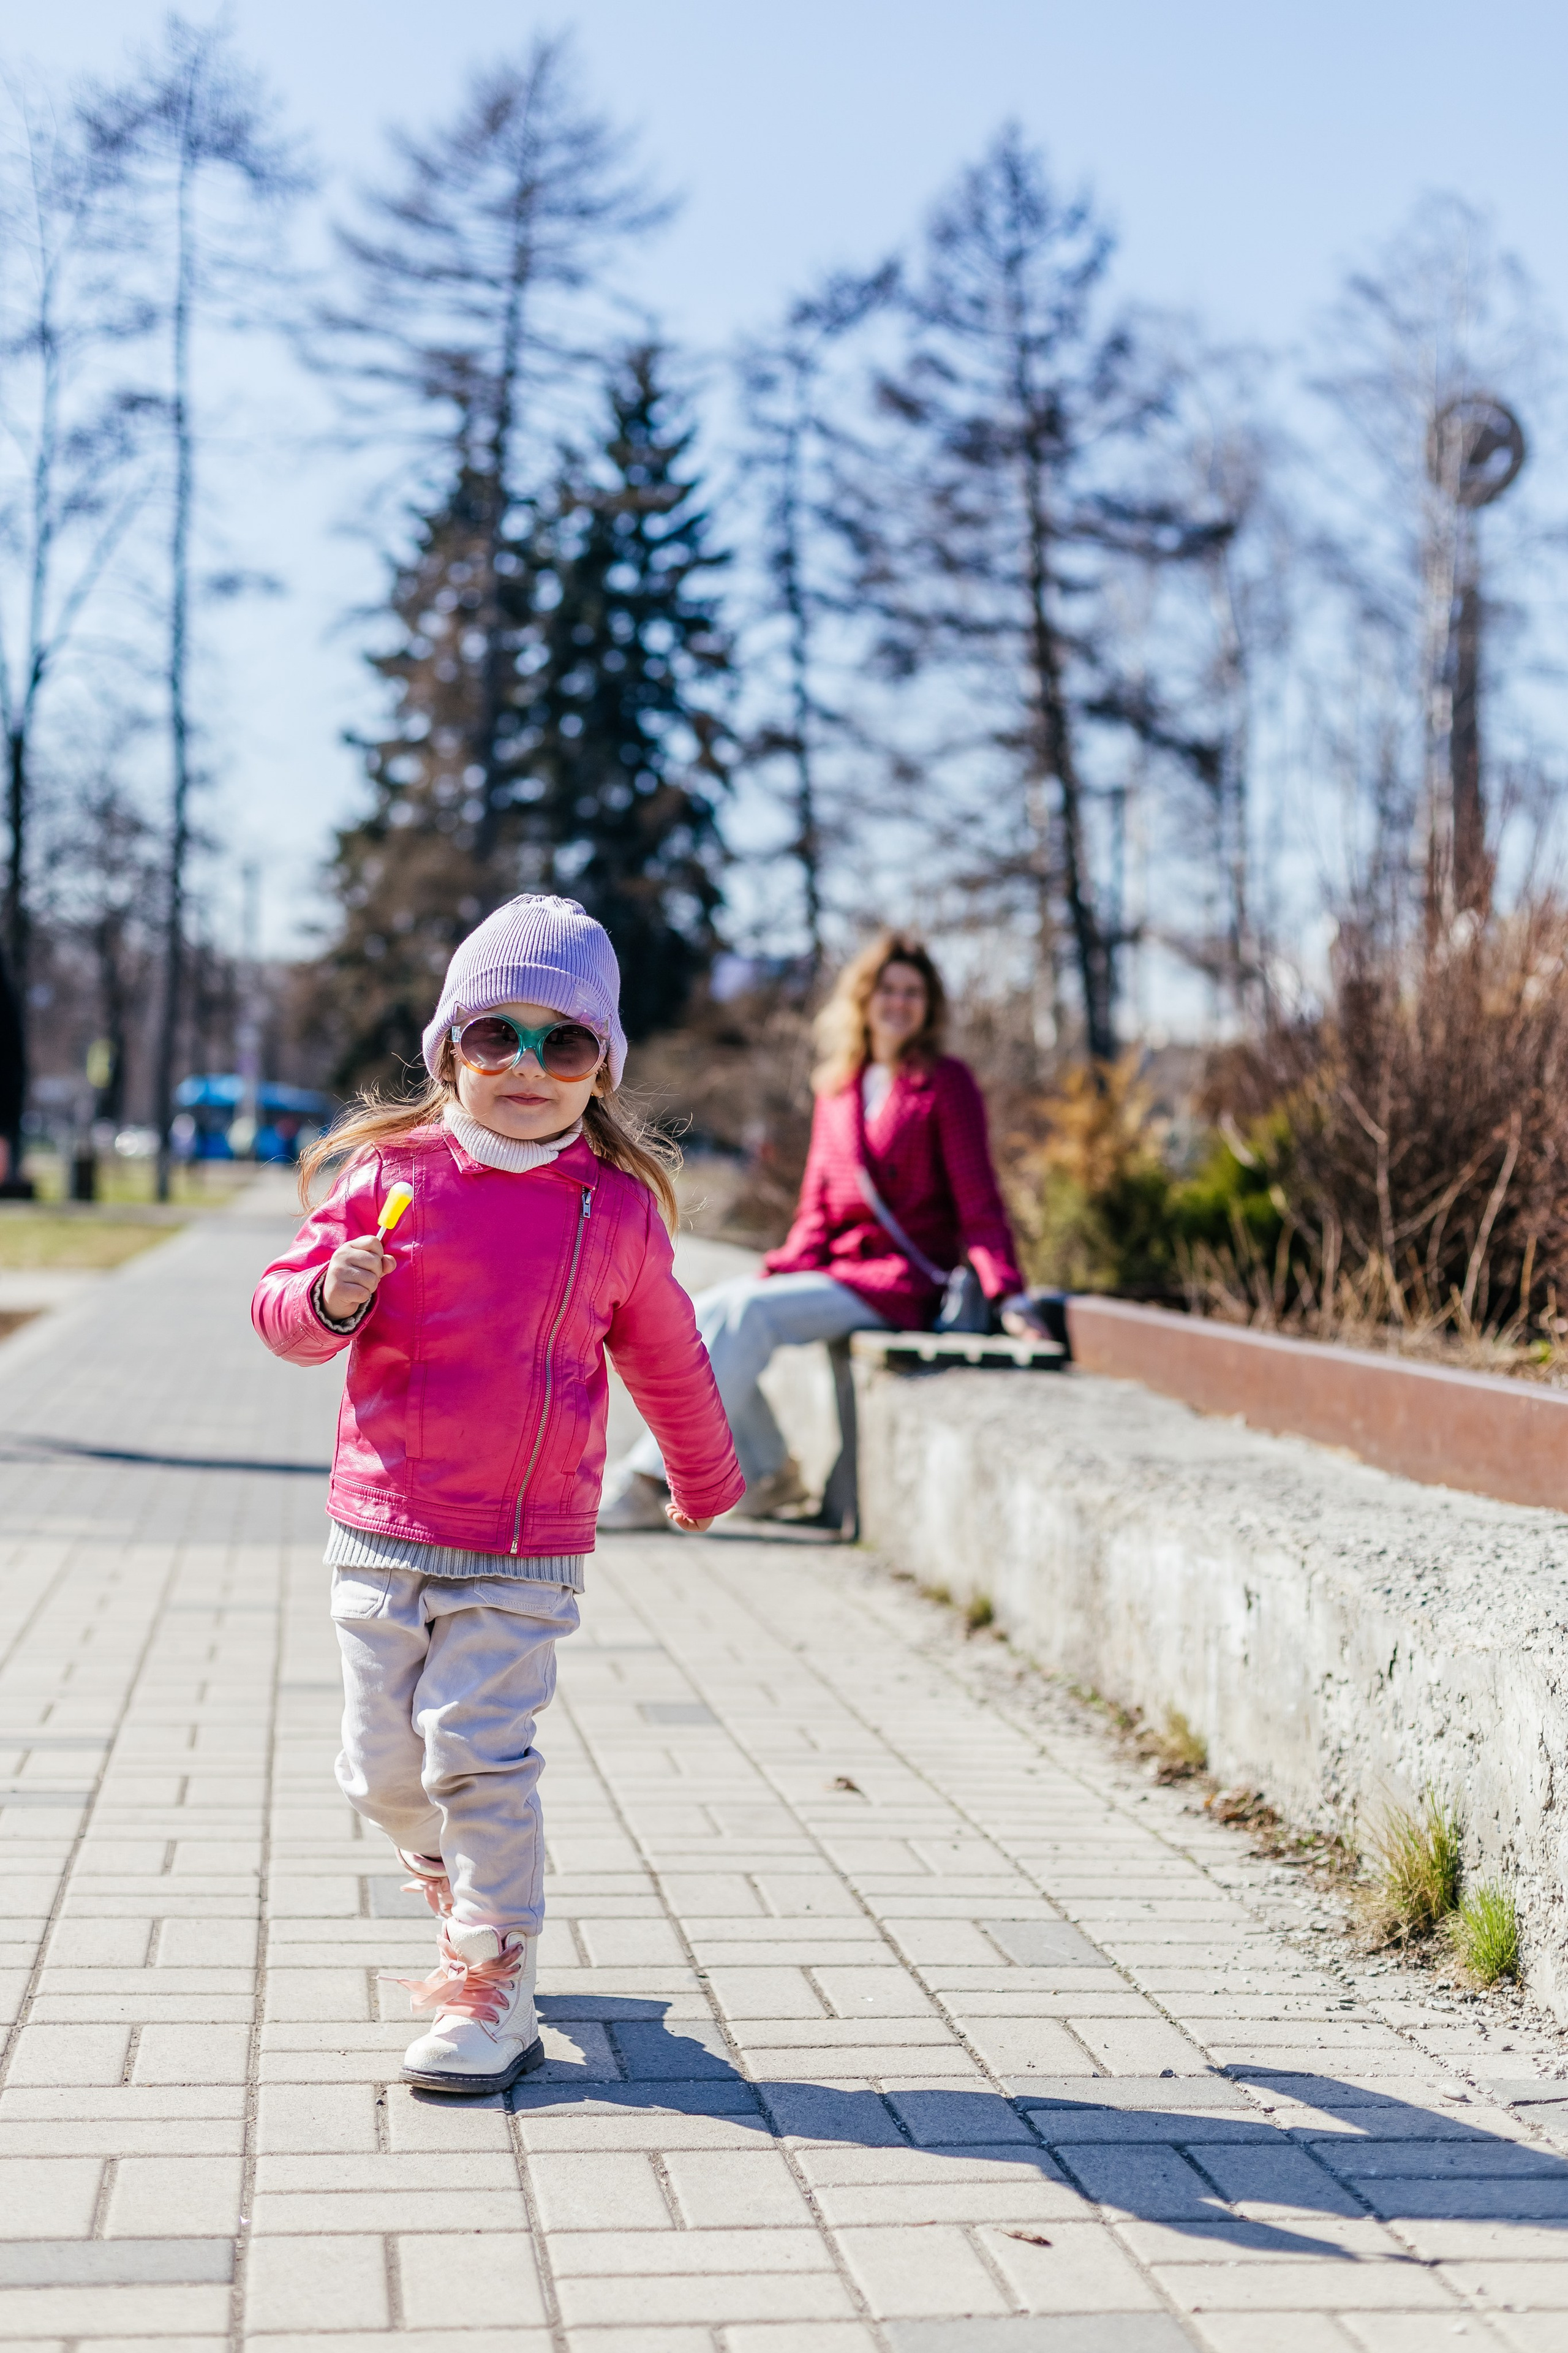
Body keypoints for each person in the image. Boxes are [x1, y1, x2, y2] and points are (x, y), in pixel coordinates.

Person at [251, 896, 743, 2098]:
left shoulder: (612, 1211)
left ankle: (493, 1973)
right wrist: (329, 1296)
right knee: (380, 1769)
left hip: (522, 1546)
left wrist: (701, 1474)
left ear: (600, 1068)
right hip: (380, 1528)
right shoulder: (390, 1176)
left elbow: (668, 1354)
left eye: (562, 1043)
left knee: (476, 1753)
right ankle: (459, 1881)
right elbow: (282, 1316)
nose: (526, 1066)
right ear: (449, 1051)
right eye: (495, 1036)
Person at [600, 931, 1042, 1528]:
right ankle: (769, 1471)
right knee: (701, 1314)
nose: (899, 1002)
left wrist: (1009, 1295)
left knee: (749, 1315)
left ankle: (651, 1478)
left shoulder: (945, 1082)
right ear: (864, 998)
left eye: (913, 992)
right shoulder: (839, 1086)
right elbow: (816, 1208)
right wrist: (778, 1268)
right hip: (839, 1270)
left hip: (903, 1282)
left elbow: (979, 1199)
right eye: (888, 988)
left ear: (930, 1005)